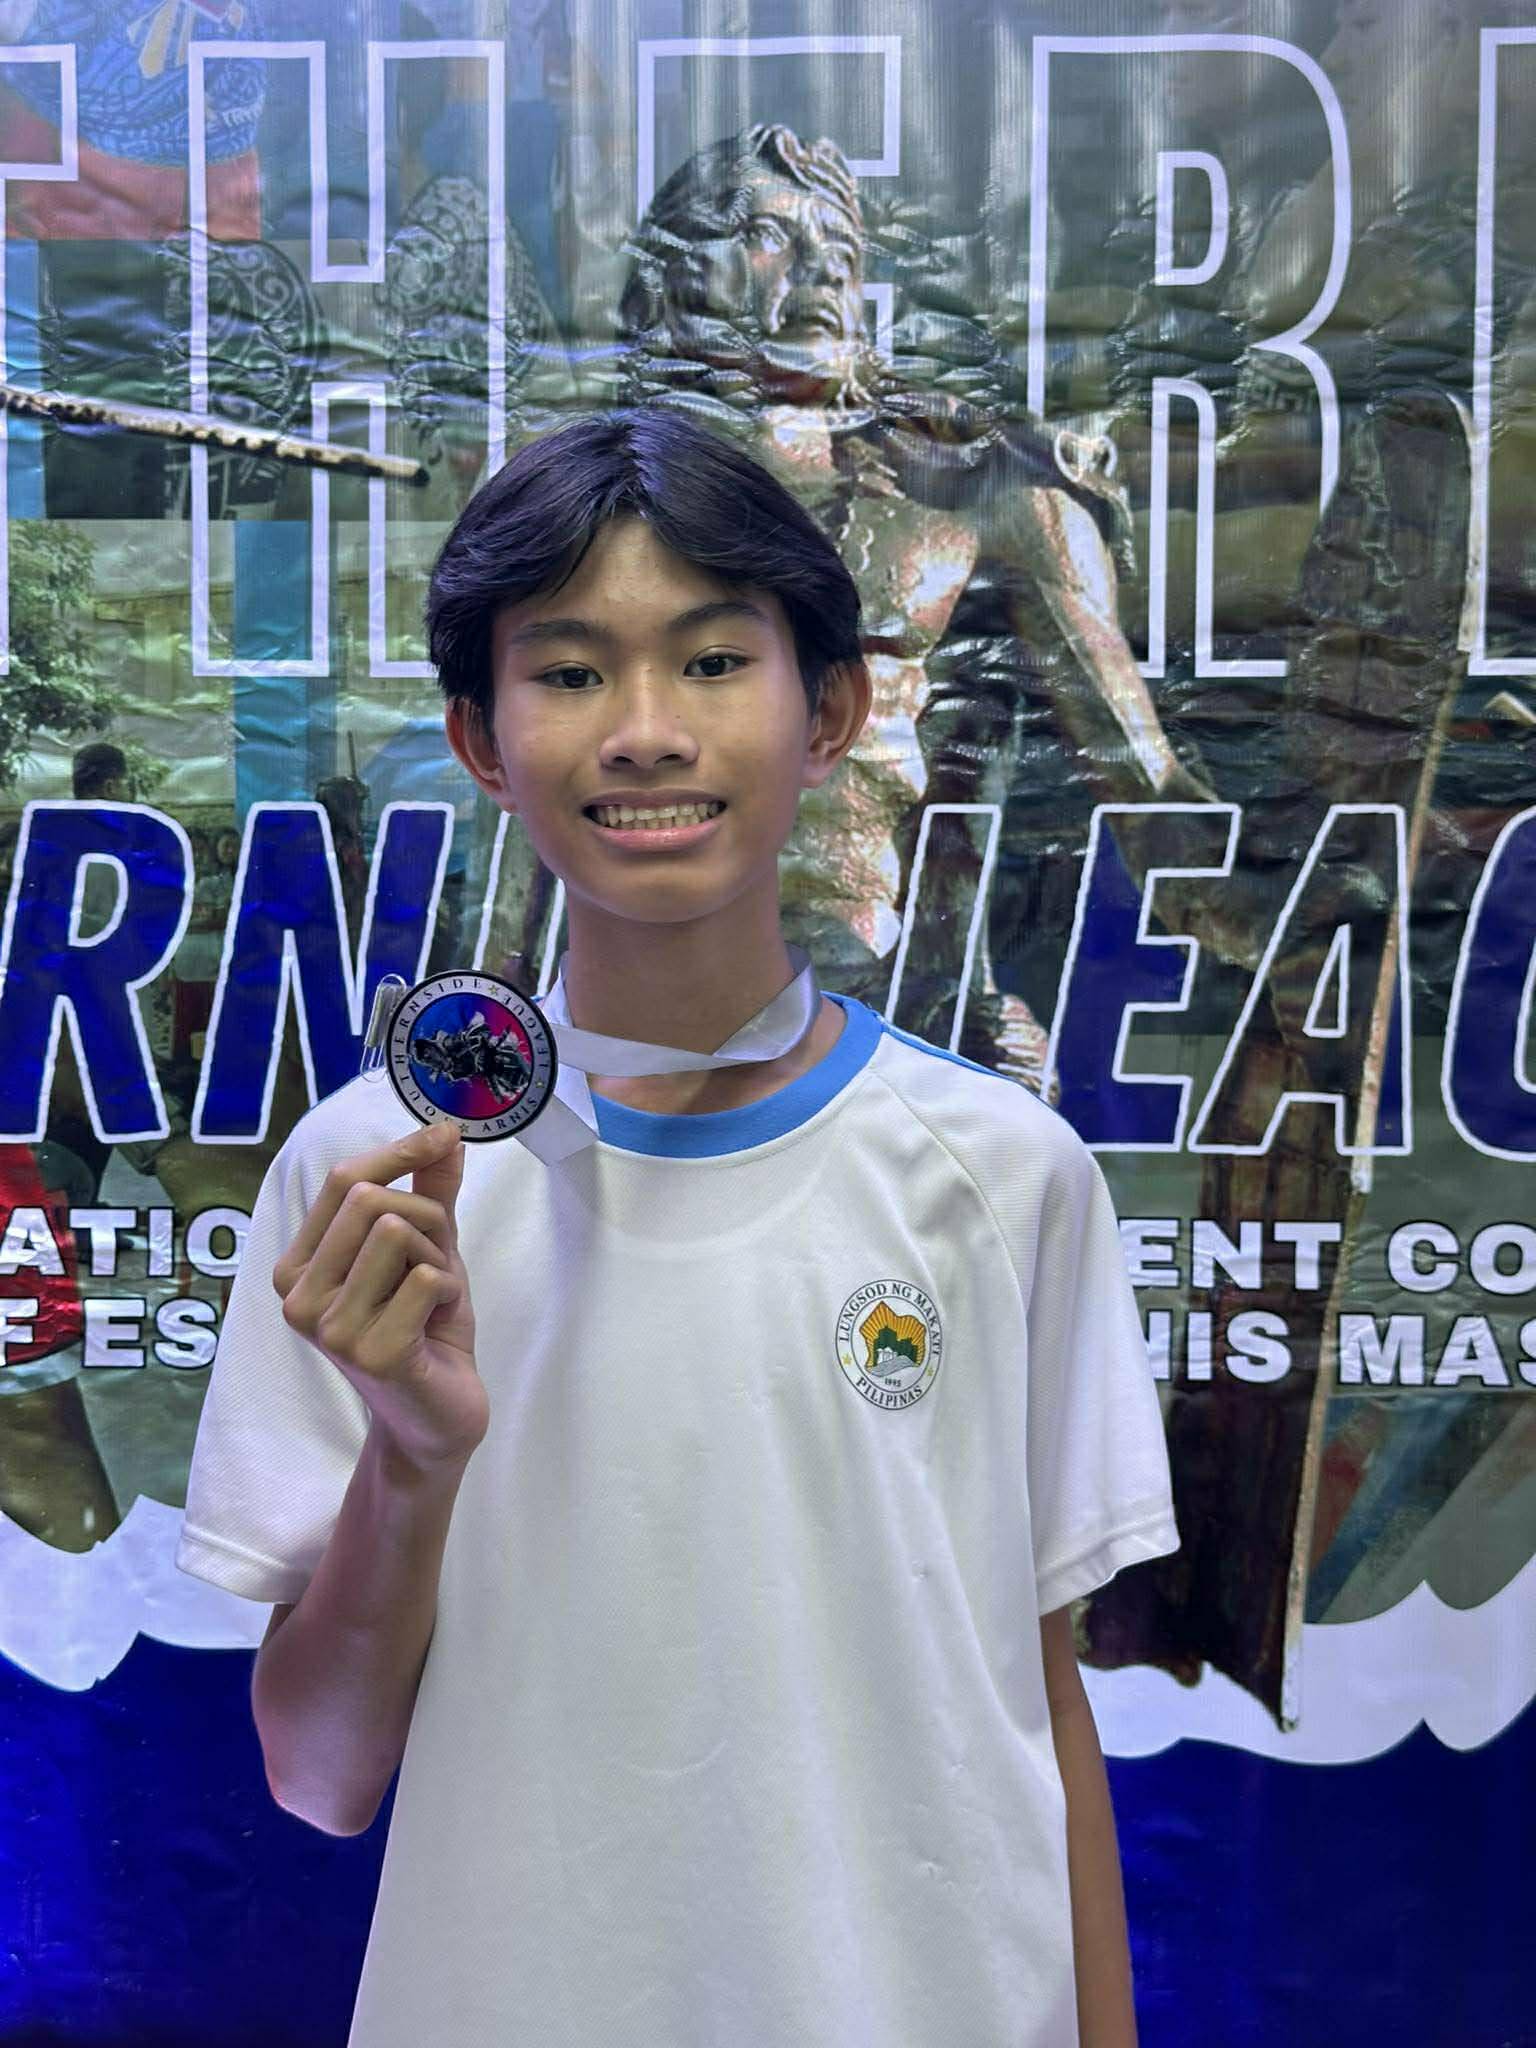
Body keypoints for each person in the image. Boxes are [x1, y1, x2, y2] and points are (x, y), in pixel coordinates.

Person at [174, 404, 1179, 2048]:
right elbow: (319, 1775)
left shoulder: (1006, 1174)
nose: (645, 733)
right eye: (570, 673)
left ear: (830, 709)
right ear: (483, 741)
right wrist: (414, 1460)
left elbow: (1037, 1700)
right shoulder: (374, 1185)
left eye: (713, 662)